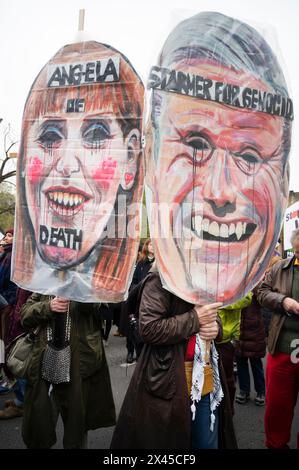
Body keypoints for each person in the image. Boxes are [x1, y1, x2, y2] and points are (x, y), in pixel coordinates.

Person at [146, 11, 293, 307]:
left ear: (284, 179)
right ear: (150, 156)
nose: (220, 191)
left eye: (249, 157)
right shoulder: (152, 288)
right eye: (197, 146)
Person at [12, 41, 144, 302]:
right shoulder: (29, 288)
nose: (67, 164)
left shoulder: (106, 296)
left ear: (129, 158)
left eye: (95, 134)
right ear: (26, 155)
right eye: (50, 135)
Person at [111, 264, 237, 449]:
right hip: (168, 377)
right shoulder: (159, 276)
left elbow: (210, 312)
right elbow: (149, 328)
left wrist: (215, 327)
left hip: (204, 372)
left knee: (207, 442)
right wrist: (195, 318)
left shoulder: (204, 271)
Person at [20, 294, 116, 449]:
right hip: (45, 365)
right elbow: (25, 315)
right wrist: (48, 307)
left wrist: (79, 294)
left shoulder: (86, 283)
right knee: (40, 424)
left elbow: (102, 310)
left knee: (76, 428)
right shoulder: (46, 283)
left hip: (78, 365)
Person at [257, 228, 299, 449]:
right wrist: (284, 301)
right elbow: (261, 292)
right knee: (277, 407)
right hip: (281, 348)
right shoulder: (280, 268)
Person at [215, 293, 253, 412]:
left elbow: (247, 298)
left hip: (226, 340)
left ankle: (228, 415)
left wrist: (221, 302)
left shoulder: (236, 275)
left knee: (226, 381)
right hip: (203, 337)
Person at [120, 238, 155, 363]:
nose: (152, 247)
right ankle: (130, 351)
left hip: (152, 302)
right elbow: (133, 281)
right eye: (150, 244)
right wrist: (137, 290)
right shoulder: (141, 263)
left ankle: (145, 354)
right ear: (146, 246)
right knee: (133, 326)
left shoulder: (159, 263)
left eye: (154, 244)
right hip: (139, 299)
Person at [0, 287, 32, 419]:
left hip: (24, 326)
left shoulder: (35, 278)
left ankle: (23, 404)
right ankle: (21, 400)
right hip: (18, 321)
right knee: (15, 363)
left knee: (20, 362)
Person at [235, 291, 266, 406]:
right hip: (238, 329)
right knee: (240, 362)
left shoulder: (256, 283)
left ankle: (261, 391)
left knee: (256, 363)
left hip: (255, 330)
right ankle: (244, 390)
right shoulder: (237, 283)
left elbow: (264, 301)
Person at [0, 229, 17, 393]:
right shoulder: (5, 255)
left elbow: (4, 280)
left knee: (5, 343)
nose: (5, 237)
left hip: (7, 306)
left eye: (10, 235)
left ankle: (9, 379)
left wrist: (9, 304)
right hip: (6, 304)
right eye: (5, 235)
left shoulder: (11, 256)